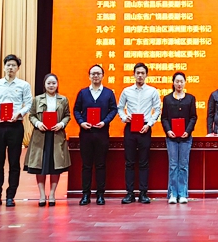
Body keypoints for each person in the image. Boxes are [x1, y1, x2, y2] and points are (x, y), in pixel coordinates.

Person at [0, 54, 32, 207]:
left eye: (13, 65)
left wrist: (20, 113)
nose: (10, 68)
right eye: (8, 65)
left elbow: (29, 103)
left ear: (18, 68)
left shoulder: (24, 85)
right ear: (4, 67)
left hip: (15, 126)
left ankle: (11, 196)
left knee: (14, 162)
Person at [73, 64, 118, 205]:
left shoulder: (108, 93)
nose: (96, 76)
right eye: (93, 74)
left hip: (102, 133)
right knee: (86, 165)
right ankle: (85, 195)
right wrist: (81, 122)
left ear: (103, 76)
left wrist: (105, 122)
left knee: (100, 165)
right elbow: (76, 110)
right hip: (86, 133)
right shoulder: (83, 93)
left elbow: (113, 110)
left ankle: (100, 195)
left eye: (98, 73)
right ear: (89, 76)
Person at [24, 73, 71, 206]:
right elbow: (32, 115)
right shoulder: (37, 99)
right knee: (40, 166)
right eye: (48, 83)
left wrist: (61, 124)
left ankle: (52, 194)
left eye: (53, 83)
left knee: (56, 166)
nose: (51, 85)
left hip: (57, 136)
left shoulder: (63, 99)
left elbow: (67, 115)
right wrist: (38, 123)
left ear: (57, 84)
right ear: (44, 85)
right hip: (41, 136)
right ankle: (41, 194)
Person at [118, 62, 161, 205]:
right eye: (138, 73)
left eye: (143, 73)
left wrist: (149, 124)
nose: (140, 75)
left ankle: (143, 193)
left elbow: (157, 109)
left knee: (144, 162)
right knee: (129, 162)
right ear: (134, 74)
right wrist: (124, 117)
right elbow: (120, 107)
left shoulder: (152, 91)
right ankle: (129, 193)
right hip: (130, 127)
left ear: (146, 75)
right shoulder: (126, 91)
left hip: (145, 128)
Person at [161, 72, 197, 204]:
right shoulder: (167, 99)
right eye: (177, 81)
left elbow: (193, 117)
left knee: (183, 165)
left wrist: (188, 131)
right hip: (171, 137)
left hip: (185, 137)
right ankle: (172, 194)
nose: (179, 84)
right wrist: (168, 130)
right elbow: (164, 118)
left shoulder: (190, 98)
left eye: (181, 81)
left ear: (185, 82)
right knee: (173, 166)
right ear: (173, 83)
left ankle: (182, 194)